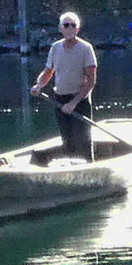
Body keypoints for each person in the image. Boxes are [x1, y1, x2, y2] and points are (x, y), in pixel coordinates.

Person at [32, 11, 98, 162]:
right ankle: (70, 172)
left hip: (79, 100)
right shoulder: (55, 48)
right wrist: (39, 85)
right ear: (60, 28)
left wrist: (73, 103)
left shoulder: (86, 49)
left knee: (84, 141)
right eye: (66, 25)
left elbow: (91, 81)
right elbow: (48, 72)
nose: (69, 28)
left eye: (73, 25)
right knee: (67, 142)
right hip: (60, 100)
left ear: (78, 29)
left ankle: (89, 168)